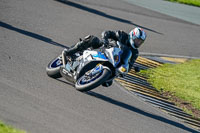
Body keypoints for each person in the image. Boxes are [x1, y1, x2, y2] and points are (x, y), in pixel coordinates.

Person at [62, 27, 146, 75]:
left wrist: (126, 69)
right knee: (93, 39)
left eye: (140, 42)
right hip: (105, 49)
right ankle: (70, 51)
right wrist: (105, 39)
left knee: (108, 82)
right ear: (132, 36)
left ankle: (94, 77)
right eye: (137, 40)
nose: (138, 43)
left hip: (114, 62)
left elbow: (129, 64)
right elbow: (107, 33)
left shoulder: (135, 52)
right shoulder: (122, 35)